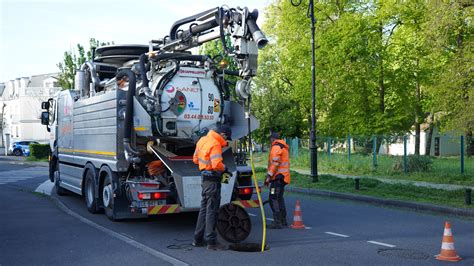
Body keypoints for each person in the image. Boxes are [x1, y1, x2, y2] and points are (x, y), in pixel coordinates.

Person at [192, 125, 232, 250]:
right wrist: (225, 169)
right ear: (223, 134)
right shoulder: (215, 144)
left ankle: (198, 239)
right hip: (213, 181)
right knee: (212, 210)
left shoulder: (202, 140)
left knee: (204, 209)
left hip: (204, 180)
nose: (226, 142)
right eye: (227, 138)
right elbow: (216, 165)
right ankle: (211, 242)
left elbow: (195, 160)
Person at [264, 131, 291, 229]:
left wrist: (268, 176)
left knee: (273, 198)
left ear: (272, 139)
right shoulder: (283, 147)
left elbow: (275, 163)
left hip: (277, 179)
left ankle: (277, 221)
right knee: (279, 198)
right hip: (282, 178)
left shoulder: (276, 147)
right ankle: (283, 220)